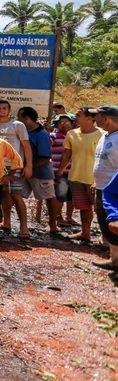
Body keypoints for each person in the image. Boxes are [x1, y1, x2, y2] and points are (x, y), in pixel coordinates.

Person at [56, 108, 103, 243]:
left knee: (101, 209)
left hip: (95, 179)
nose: (74, 117)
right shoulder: (72, 134)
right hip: (76, 176)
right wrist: (60, 171)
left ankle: (106, 237)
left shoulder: (102, 134)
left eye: (78, 115)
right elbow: (67, 154)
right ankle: (85, 233)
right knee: (84, 207)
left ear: (89, 118)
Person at [18, 107, 61, 237]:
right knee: (15, 194)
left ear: (27, 118)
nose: (18, 120)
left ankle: (53, 224)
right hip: (24, 171)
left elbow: (45, 157)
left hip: (41, 172)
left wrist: (29, 167)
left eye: (20, 118)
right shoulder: (24, 131)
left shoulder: (41, 134)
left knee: (48, 197)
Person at [0, 99, 32, 239]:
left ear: (10, 111)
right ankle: (7, 222)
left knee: (16, 195)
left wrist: (28, 165)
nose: (1, 111)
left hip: (14, 165)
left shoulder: (17, 125)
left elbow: (26, 146)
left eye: (4, 108)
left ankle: (24, 227)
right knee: (4, 194)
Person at [90, 104, 118, 271]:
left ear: (106, 118)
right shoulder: (105, 136)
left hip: (114, 192)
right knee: (105, 224)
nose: (94, 119)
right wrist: (97, 181)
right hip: (102, 188)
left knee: (114, 224)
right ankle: (114, 260)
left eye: (97, 116)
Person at [50, 114, 75, 228]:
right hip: (58, 170)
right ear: (57, 125)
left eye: (67, 122)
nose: (65, 125)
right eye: (62, 123)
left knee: (71, 196)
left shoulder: (75, 137)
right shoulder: (53, 136)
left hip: (74, 171)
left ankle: (69, 217)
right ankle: (58, 217)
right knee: (60, 195)